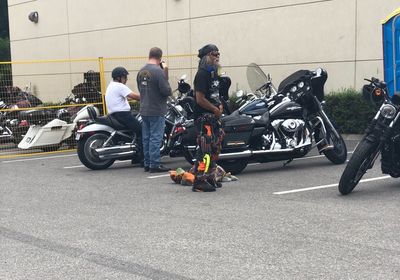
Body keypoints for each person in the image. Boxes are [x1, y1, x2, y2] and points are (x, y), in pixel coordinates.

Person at [192, 44, 225, 192]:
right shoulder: (201, 74)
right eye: (214, 54)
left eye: (218, 54)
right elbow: (199, 99)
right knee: (204, 149)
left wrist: (220, 106)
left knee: (215, 148)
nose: (217, 56)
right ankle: (199, 180)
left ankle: (211, 176)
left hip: (214, 117)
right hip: (204, 118)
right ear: (206, 57)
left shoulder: (214, 73)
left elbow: (215, 94)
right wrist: (213, 109)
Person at [137, 47, 172, 173]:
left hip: (144, 109)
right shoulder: (158, 71)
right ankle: (155, 164)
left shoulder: (141, 71)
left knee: (146, 137)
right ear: (160, 58)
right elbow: (166, 90)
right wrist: (165, 71)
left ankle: (147, 163)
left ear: (149, 55)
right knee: (155, 138)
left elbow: (140, 89)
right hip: (156, 109)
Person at [105, 66, 142, 163]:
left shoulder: (111, 85)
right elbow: (134, 96)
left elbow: (127, 98)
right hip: (123, 115)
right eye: (125, 77)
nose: (126, 79)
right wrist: (148, 96)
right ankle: (142, 158)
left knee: (138, 118)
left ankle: (135, 155)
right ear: (119, 78)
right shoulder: (119, 86)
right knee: (142, 131)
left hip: (116, 114)